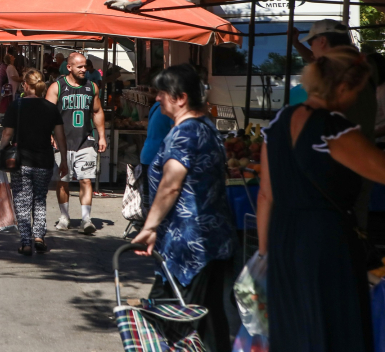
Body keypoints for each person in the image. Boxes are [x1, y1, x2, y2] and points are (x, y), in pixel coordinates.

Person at [258, 47, 385, 352]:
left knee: (295, 327)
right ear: (342, 87)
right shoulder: (334, 131)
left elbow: (266, 195)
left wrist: (265, 254)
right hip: (326, 240)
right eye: (357, 90)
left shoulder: (276, 125)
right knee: (332, 326)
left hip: (284, 239)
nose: (357, 99)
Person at [132, 64, 235, 352]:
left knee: (176, 322)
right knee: (206, 320)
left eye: (162, 93)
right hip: (208, 241)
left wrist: (149, 227)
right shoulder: (205, 126)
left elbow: (171, 184)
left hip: (188, 248)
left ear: (181, 98)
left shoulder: (186, 132)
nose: (156, 99)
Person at [291, 19, 378, 227]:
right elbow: (315, 60)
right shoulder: (361, 63)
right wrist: (297, 44)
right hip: (360, 147)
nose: (312, 51)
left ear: (322, 41)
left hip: (343, 154)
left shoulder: (340, 68)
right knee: (355, 218)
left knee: (342, 221)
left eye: (312, 43)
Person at [0, 70, 67, 256]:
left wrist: (1, 153)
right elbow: (60, 137)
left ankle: (26, 242)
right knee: (39, 199)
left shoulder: (17, 105)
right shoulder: (50, 107)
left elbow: (6, 134)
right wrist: (64, 160)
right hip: (44, 160)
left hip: (20, 160)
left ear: (25, 86)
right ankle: (39, 237)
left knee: (22, 201)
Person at [46, 53, 107, 234]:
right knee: (63, 181)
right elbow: (48, 113)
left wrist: (102, 135)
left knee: (86, 179)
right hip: (62, 141)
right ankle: (64, 217)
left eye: (85, 66)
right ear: (69, 67)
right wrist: (49, 133)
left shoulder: (91, 87)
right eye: (79, 67)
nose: (84, 70)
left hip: (85, 140)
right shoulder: (57, 87)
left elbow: (97, 112)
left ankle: (86, 219)